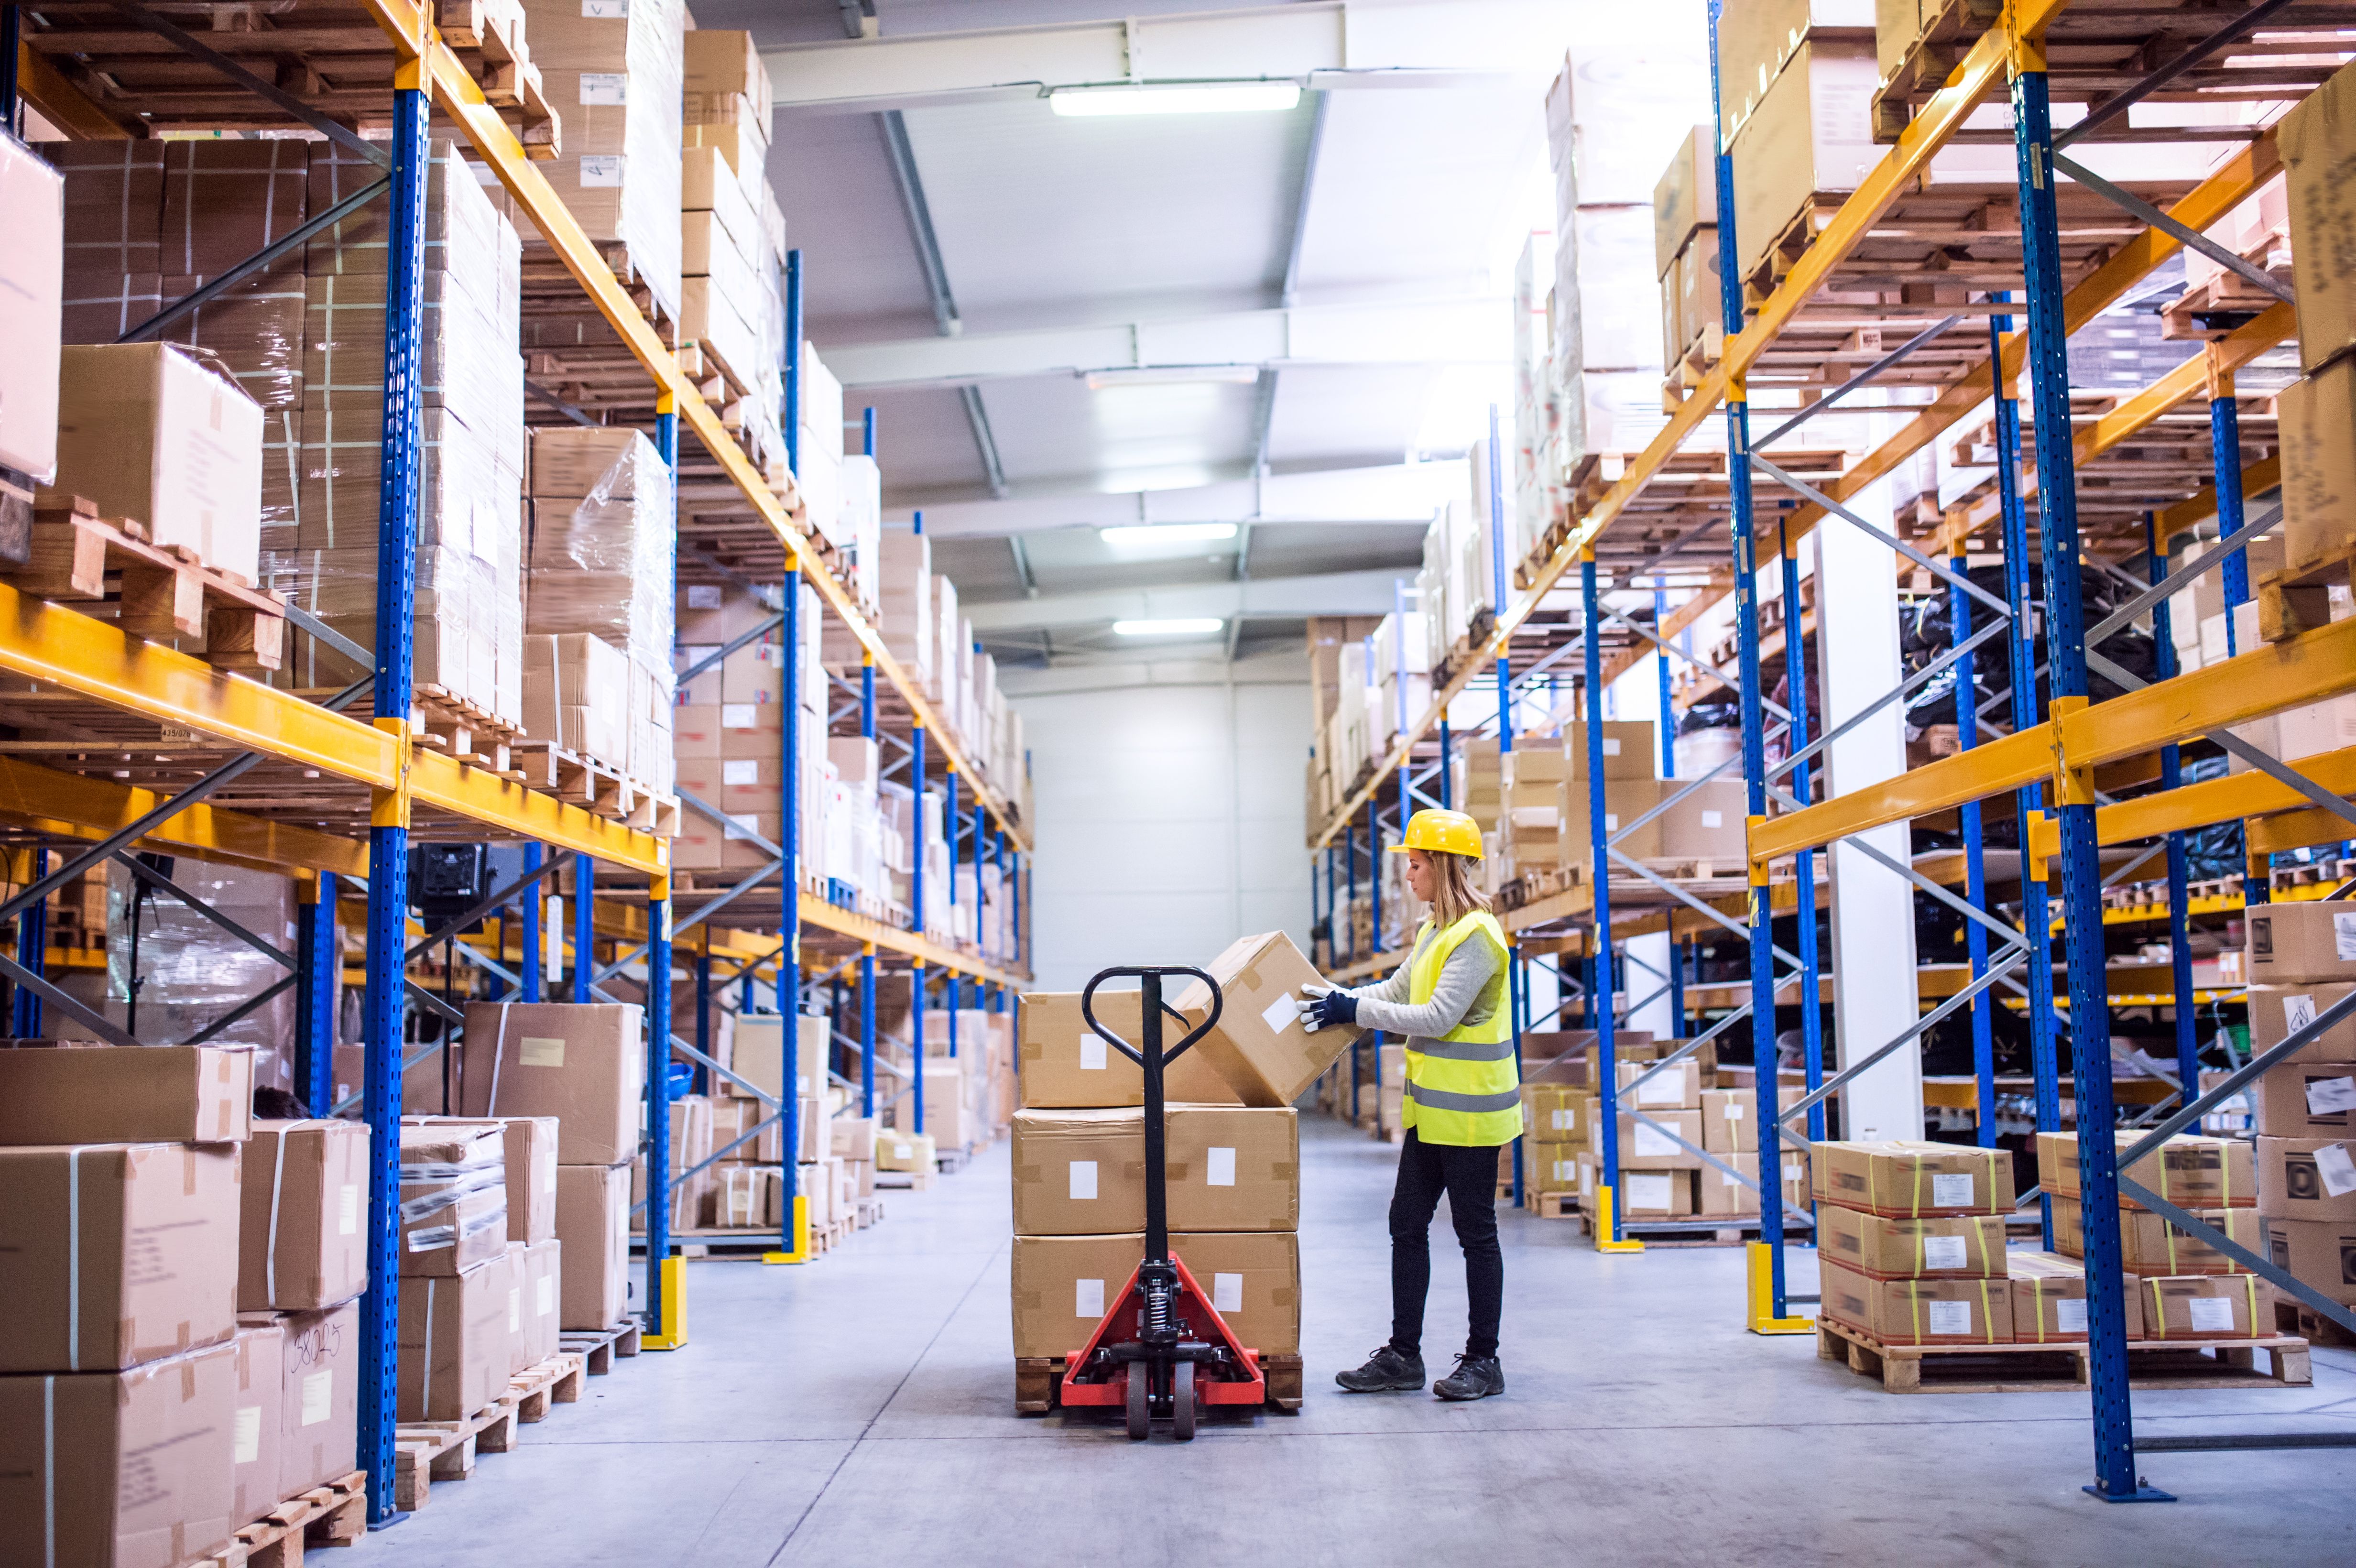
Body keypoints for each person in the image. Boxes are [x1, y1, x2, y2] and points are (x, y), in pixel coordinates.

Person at [1301, 807, 1518, 1402]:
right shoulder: (1433, 930)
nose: (1408, 876)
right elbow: (1397, 992)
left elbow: (1436, 1017)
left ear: (1442, 867)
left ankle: (1483, 1360)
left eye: (1416, 865)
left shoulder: (1477, 935)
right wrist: (1335, 999)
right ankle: (1403, 1355)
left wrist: (1354, 1011)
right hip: (1432, 1110)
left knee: (1475, 1232)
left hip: (1472, 1113)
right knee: (1406, 1223)